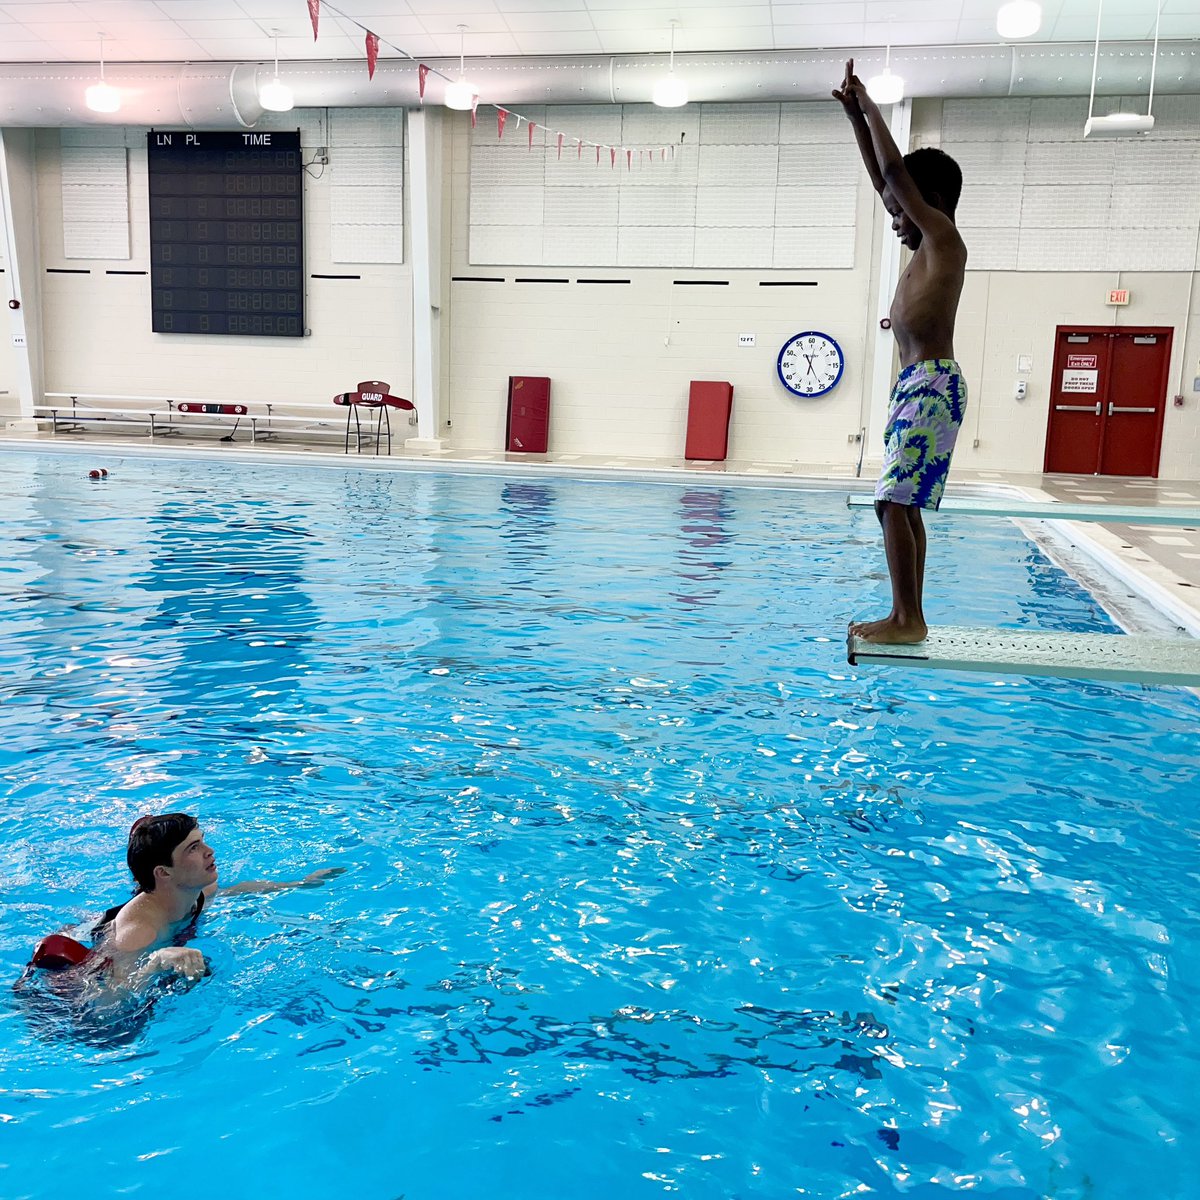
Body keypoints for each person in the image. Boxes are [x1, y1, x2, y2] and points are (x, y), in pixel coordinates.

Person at [833, 59, 968, 644]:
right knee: (901, 504)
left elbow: (893, 171)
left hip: (933, 383)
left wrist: (869, 107)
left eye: (900, 212)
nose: (894, 222)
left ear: (929, 200)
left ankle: (907, 619)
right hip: (918, 385)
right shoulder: (923, 251)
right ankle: (907, 614)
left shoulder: (942, 239)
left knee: (891, 503)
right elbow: (881, 175)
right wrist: (852, 121)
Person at [29, 812, 340, 990]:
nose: (210, 851)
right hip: (94, 957)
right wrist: (157, 961)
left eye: (202, 841)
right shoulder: (139, 933)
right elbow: (110, 1000)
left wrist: (298, 884)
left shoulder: (197, 890)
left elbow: (234, 889)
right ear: (164, 872)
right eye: (193, 848)